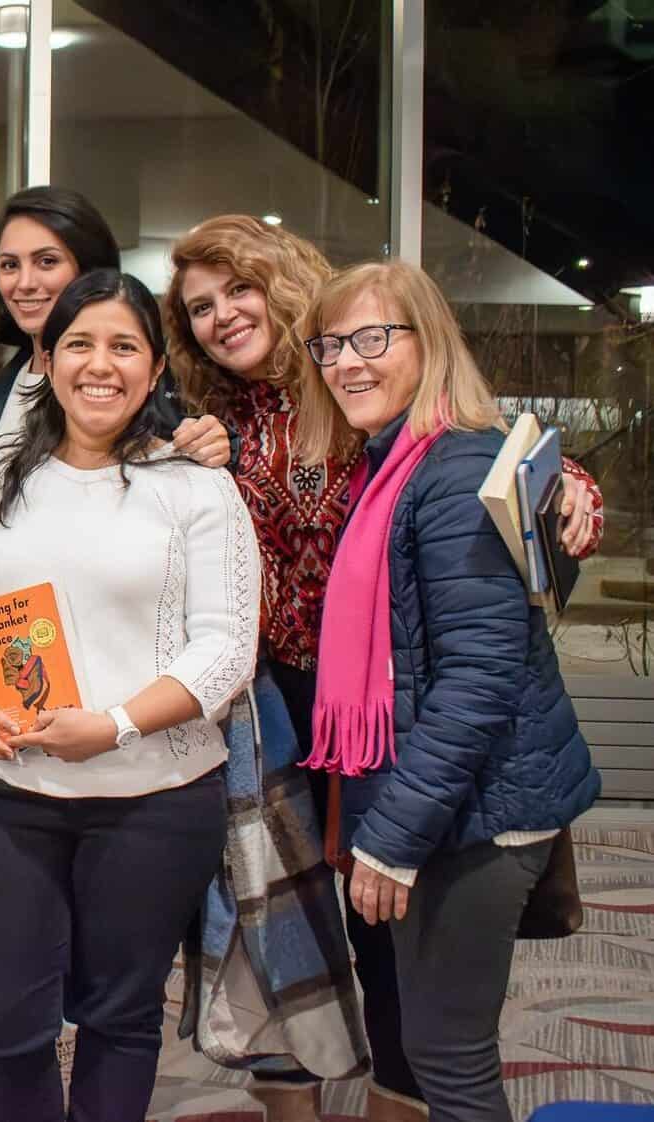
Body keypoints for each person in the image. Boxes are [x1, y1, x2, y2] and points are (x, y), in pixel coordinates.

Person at [163, 216, 605, 1122]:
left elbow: (480, 480)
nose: (220, 316)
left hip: (387, 709)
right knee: (272, 928)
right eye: (200, 307)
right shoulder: (207, 420)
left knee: (392, 938)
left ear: (287, 284)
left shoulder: (372, 405)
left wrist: (570, 485)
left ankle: (398, 1104)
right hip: (276, 705)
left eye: (239, 289)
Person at [0, 268, 261, 1122]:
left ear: (153, 369)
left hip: (152, 800)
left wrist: (111, 726)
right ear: (48, 357)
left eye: (123, 346)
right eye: (79, 343)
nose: (99, 365)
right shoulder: (1, 474)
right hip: (13, 793)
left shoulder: (194, 486)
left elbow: (226, 651)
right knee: (3, 1025)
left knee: (118, 1018)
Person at [292, 260, 600, 1122]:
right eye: (329, 344)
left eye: (371, 338)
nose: (346, 363)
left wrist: (389, 840)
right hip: (462, 806)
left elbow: (477, 679)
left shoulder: (452, 472)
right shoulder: (395, 466)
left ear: (428, 345)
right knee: (441, 1047)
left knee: (448, 1060)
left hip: (480, 814)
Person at [0, 186, 230, 466]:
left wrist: (214, 441)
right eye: (9, 265)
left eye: (47, 261)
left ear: (90, 269)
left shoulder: (146, 383)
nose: (24, 283)